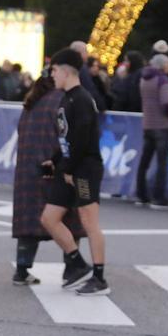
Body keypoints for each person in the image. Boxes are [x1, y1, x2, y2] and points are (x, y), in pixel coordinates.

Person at [39, 48, 110, 296]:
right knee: (49, 218)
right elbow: (66, 138)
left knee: (90, 222)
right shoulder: (65, 98)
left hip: (84, 170)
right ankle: (78, 264)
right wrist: (54, 161)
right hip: (68, 167)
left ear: (66, 71)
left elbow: (82, 139)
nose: (52, 75)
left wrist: (68, 168)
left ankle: (99, 278)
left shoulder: (82, 99)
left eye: (54, 71)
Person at [12, 73, 83, 286]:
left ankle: (22, 270)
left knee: (29, 222)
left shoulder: (31, 103)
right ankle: (71, 268)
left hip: (28, 171)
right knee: (69, 220)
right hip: (54, 169)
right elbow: (67, 136)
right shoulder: (62, 101)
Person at [136, 53, 168, 209]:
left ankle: (141, 194)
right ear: (163, 65)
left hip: (148, 124)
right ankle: (158, 197)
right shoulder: (162, 79)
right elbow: (166, 102)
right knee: (162, 163)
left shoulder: (144, 79)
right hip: (162, 125)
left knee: (144, 161)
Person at [70, 41, 106, 113]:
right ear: (79, 53)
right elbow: (89, 89)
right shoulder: (81, 68)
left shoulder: (67, 66)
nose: (88, 54)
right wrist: (101, 106)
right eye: (86, 51)